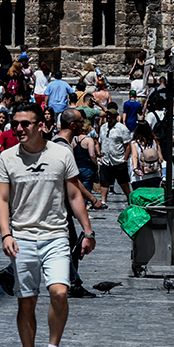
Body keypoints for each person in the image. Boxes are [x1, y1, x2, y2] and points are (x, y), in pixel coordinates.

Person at [0, 102, 96, 347]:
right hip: (22, 237)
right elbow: (1, 200)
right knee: (26, 301)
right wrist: (6, 234)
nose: (18, 129)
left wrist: (88, 231)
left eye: (25, 123)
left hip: (55, 236)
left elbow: (74, 195)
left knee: (60, 292)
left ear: (41, 125)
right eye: (15, 124)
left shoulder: (61, 155)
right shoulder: (7, 158)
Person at [51, 109, 101, 298]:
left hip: (58, 204)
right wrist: (92, 198)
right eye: (81, 122)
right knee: (69, 245)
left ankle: (72, 283)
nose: (84, 125)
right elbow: (73, 184)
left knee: (70, 244)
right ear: (73, 125)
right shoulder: (63, 149)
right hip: (61, 206)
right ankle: (72, 283)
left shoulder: (57, 144)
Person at [97, 108, 133, 207]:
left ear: (115, 116)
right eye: (107, 115)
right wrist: (100, 155)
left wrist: (125, 159)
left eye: (111, 115)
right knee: (104, 181)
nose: (108, 117)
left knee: (123, 182)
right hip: (106, 159)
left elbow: (128, 144)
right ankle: (104, 201)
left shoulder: (122, 129)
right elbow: (100, 142)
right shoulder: (103, 127)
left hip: (118, 160)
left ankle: (129, 199)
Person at [129, 121, 165, 190]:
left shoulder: (135, 143)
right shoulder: (154, 142)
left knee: (140, 198)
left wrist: (135, 168)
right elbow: (161, 158)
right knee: (152, 197)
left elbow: (135, 156)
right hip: (155, 175)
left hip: (140, 177)